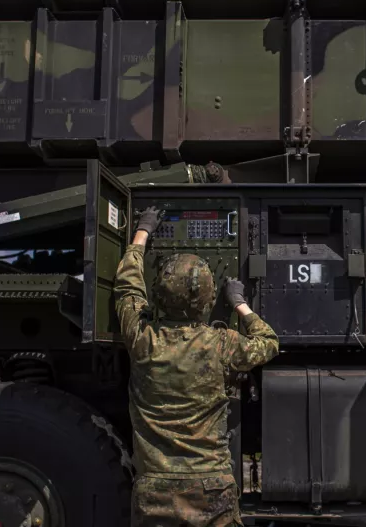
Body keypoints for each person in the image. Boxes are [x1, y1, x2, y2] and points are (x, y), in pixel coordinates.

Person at [113, 206, 280, 527]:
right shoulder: (223, 343)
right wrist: (240, 303)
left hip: (154, 489)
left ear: (159, 299)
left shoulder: (142, 338)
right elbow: (269, 342)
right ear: (208, 300)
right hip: (211, 487)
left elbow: (128, 286)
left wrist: (142, 231)